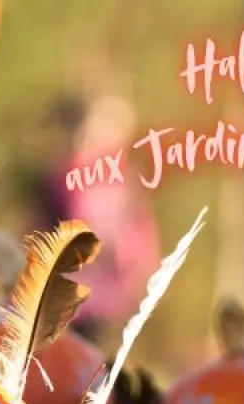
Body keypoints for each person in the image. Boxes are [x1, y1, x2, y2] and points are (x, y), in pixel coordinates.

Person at [35, 93, 163, 345]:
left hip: (110, 291)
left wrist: (141, 269)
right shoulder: (66, 175)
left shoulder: (126, 180)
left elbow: (139, 228)